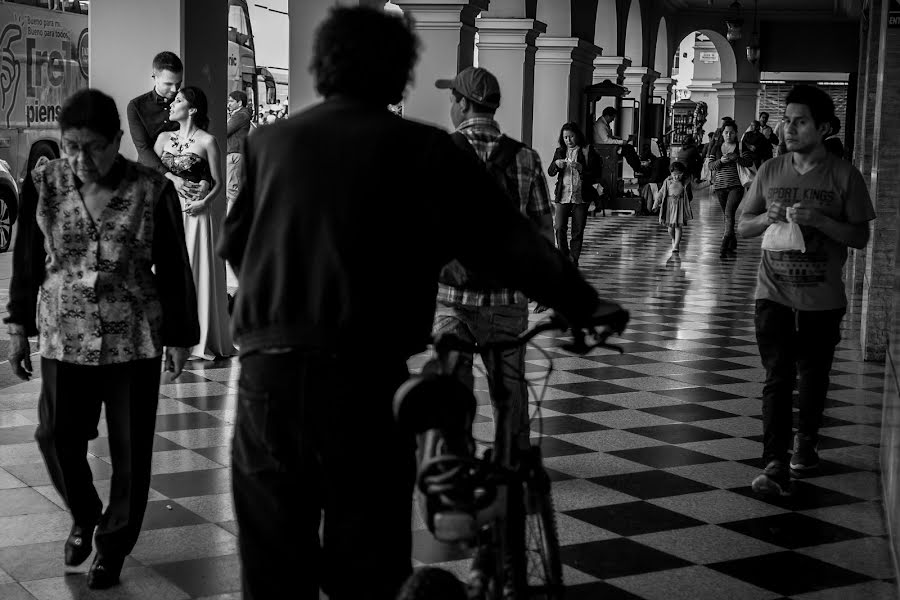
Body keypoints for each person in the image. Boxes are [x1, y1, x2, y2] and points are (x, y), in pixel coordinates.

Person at [218, 7, 624, 600]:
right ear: (399, 74)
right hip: (363, 382)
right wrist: (584, 304)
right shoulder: (425, 150)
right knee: (368, 565)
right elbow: (511, 242)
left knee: (274, 569)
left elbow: (235, 247)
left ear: (321, 65)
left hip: (266, 380)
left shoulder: (269, 143)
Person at [5, 89, 199, 589]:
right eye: (70, 146)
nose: (80, 159)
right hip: (63, 332)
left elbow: (175, 268)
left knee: (132, 450)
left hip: (132, 336)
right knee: (55, 435)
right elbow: (27, 256)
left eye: (93, 146)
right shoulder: (44, 182)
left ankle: (113, 545)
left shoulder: (152, 189)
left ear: (117, 141)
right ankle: (86, 511)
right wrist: (16, 327)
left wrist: (180, 336)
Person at [737, 85, 875, 497]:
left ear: (824, 127)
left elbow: (860, 237)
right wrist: (766, 219)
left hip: (822, 298)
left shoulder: (844, 175)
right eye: (787, 120)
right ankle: (774, 461)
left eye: (800, 121)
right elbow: (743, 226)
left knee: (813, 376)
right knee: (777, 377)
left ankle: (807, 442)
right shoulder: (770, 170)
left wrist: (820, 220)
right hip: (772, 294)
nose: (789, 128)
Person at [431, 65, 554, 452]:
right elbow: (543, 229)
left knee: (452, 386)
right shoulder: (526, 158)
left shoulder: (438, 154)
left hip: (453, 298)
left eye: (453, 98)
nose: (451, 105)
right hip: (506, 300)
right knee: (509, 386)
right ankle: (512, 460)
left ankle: (456, 460)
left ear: (464, 104)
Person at [154, 86, 235, 360]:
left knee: (195, 272)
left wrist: (205, 201)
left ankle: (198, 337)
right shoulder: (164, 137)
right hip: (168, 212)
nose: (172, 104)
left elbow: (219, 183)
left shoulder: (208, 141)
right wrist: (171, 180)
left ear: (192, 109)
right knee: (166, 273)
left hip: (196, 214)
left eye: (178, 100)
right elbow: (152, 170)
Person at [126, 52, 202, 201]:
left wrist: (205, 180)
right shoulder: (136, 106)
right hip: (150, 181)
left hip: (187, 181)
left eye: (178, 83)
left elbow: (200, 142)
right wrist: (172, 178)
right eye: (169, 84)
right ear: (154, 77)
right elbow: (143, 149)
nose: (174, 89)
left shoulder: (188, 104)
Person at [548, 122, 599, 268]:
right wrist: (556, 165)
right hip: (562, 195)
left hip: (581, 196)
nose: (568, 140)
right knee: (559, 226)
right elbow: (550, 172)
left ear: (577, 136)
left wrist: (582, 169)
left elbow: (595, 174)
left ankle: (574, 259)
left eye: (571, 137)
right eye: (565, 137)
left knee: (577, 230)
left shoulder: (587, 151)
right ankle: (563, 256)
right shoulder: (560, 152)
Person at [708, 121, 754, 258]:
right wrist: (720, 161)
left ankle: (724, 242)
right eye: (726, 132)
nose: (729, 135)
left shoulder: (741, 146)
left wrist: (737, 158)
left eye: (732, 132)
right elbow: (710, 166)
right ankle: (732, 241)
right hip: (719, 187)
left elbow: (749, 163)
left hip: (736, 186)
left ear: (736, 133)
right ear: (722, 133)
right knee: (728, 215)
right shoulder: (716, 148)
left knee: (729, 213)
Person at [652, 161, 693, 255]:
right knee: (670, 228)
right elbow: (661, 193)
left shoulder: (685, 182)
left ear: (683, 173)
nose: (677, 176)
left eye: (679, 174)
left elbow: (697, 186)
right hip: (669, 208)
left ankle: (676, 245)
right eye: (674, 174)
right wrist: (655, 204)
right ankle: (674, 239)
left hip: (680, 207)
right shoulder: (667, 182)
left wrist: (709, 182)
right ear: (671, 173)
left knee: (678, 227)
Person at [594, 106, 645, 173]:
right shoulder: (601, 125)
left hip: (607, 146)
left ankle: (638, 167)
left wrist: (618, 139)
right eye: (612, 117)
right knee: (628, 150)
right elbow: (607, 140)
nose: (613, 120)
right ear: (607, 116)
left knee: (629, 148)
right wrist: (621, 142)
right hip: (605, 148)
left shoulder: (603, 123)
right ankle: (638, 169)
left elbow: (608, 137)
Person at [226, 90, 252, 214]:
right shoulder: (241, 114)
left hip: (234, 154)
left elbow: (225, 131)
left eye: (231, 101)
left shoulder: (240, 115)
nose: (228, 104)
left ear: (240, 102)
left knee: (231, 190)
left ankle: (233, 220)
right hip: (236, 154)